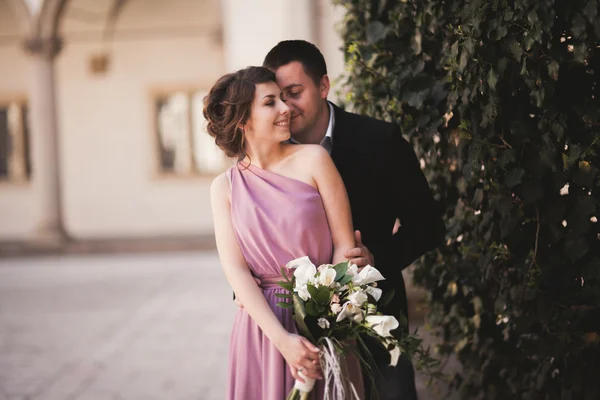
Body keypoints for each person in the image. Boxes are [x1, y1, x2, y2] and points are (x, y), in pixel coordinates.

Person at [262, 40, 446, 400]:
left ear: (324, 86)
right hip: (296, 331)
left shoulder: (381, 141)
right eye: (277, 97)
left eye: (295, 92)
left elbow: (428, 225)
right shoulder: (269, 156)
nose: (286, 107)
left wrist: (377, 257)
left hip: (375, 319)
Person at [205, 66, 364, 400]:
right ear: (242, 121)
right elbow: (236, 271)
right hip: (262, 329)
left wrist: (326, 322)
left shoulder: (314, 160)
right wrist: (282, 340)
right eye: (270, 102)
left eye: (283, 99)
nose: (285, 109)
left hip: (324, 318)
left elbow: (344, 246)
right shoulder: (224, 188)